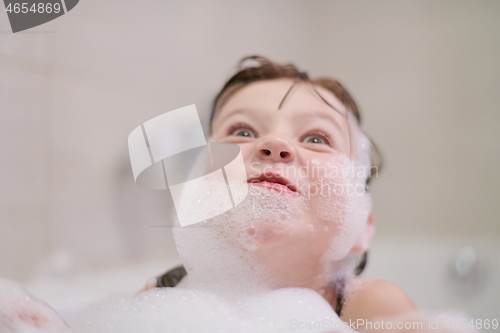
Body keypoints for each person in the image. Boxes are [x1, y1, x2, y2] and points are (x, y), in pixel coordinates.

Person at [141, 55, 416, 331]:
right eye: (243, 131)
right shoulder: (161, 300)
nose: (274, 143)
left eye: (316, 139)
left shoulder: (372, 310)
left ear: (363, 227)